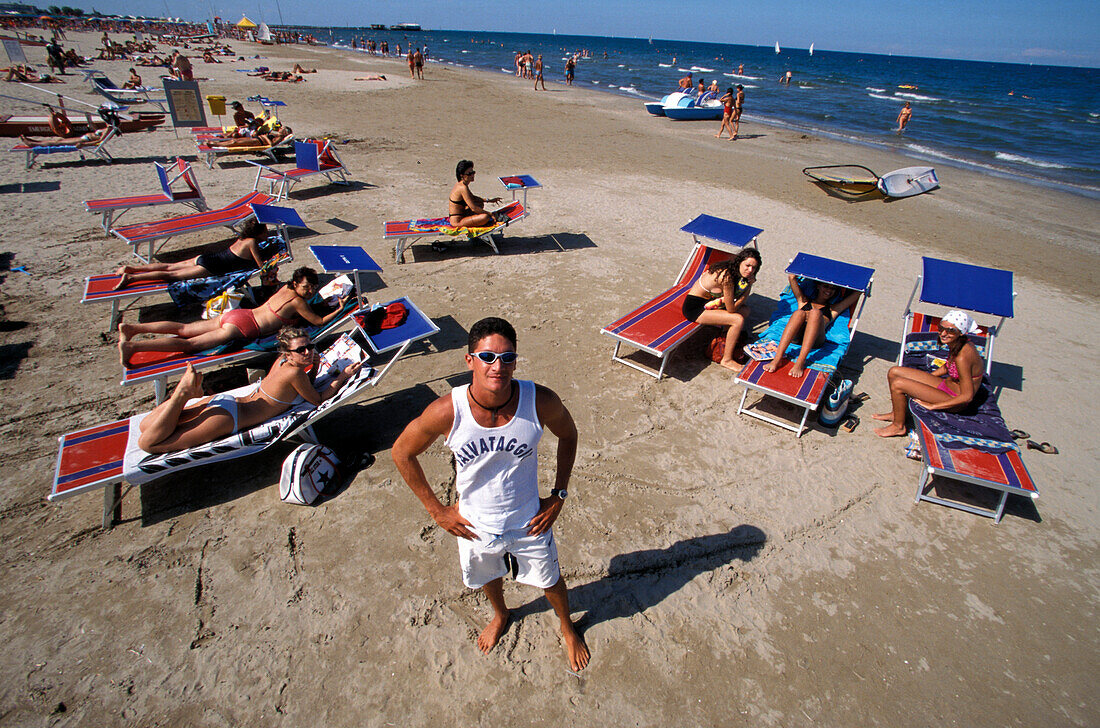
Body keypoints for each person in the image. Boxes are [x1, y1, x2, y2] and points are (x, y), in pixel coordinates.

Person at [391, 317, 590, 671]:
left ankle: (566, 625)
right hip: (473, 522)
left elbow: (569, 435)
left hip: (529, 518)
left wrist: (559, 494)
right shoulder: (447, 411)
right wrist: (436, 510)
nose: (497, 366)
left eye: (507, 357)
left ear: (516, 360)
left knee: (550, 580)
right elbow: (402, 452)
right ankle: (501, 614)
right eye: (487, 357)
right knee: (487, 575)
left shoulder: (538, 400)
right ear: (470, 360)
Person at [137, 327, 361, 453]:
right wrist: (343, 375)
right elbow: (317, 399)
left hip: (226, 403)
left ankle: (182, 396)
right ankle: (181, 394)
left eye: (310, 346)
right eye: (301, 349)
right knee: (149, 444)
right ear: (287, 353)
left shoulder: (282, 364)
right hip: (228, 418)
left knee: (146, 426)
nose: (307, 352)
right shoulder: (294, 374)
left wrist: (316, 366)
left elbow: (305, 386)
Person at [118, 266, 352, 366]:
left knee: (183, 328)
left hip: (238, 314)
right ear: (296, 285)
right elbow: (319, 322)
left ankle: (132, 328)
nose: (309, 291)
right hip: (242, 328)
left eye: (312, 287)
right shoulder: (298, 302)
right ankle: (133, 347)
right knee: (189, 343)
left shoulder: (286, 289)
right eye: (306, 287)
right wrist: (339, 309)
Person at [873, 310, 985, 437]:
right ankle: (896, 413)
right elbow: (947, 366)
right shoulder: (958, 343)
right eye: (941, 328)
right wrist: (926, 380)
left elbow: (967, 396)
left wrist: (933, 406)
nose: (943, 333)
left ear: (961, 332)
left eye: (950, 330)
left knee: (898, 384)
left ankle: (898, 426)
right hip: (946, 386)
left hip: (955, 399)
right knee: (894, 372)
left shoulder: (963, 357)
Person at [113, 220, 271, 290]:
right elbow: (260, 265)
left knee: (170, 266)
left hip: (207, 257)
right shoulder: (252, 243)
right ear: (258, 233)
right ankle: (132, 278)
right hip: (211, 266)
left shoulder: (242, 239)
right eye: (265, 230)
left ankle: (132, 268)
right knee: (173, 275)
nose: (267, 232)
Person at [762, 275, 862, 378]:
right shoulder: (804, 301)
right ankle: (777, 359)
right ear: (818, 286)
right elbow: (792, 279)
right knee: (798, 313)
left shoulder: (833, 309)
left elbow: (855, 295)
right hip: (796, 337)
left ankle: (800, 362)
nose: (829, 290)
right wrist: (793, 276)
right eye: (825, 286)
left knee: (815, 313)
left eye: (832, 288)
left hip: (816, 341)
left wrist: (862, 286)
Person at [681, 248, 762, 370]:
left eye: (754, 268)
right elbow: (731, 309)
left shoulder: (735, 271)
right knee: (737, 319)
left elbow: (740, 302)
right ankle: (727, 359)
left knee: (745, 311)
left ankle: (724, 337)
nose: (750, 270)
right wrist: (749, 285)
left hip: (710, 303)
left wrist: (748, 286)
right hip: (695, 308)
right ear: (740, 262)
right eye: (747, 265)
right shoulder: (727, 276)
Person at [448, 160, 506, 228]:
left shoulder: (461, 185)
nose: (472, 175)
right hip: (457, 221)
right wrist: (490, 214)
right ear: (462, 176)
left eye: (473, 172)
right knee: (485, 217)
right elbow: (474, 208)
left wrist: (489, 200)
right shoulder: (462, 188)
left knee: (480, 203)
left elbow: (473, 198)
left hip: (461, 215)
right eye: (469, 174)